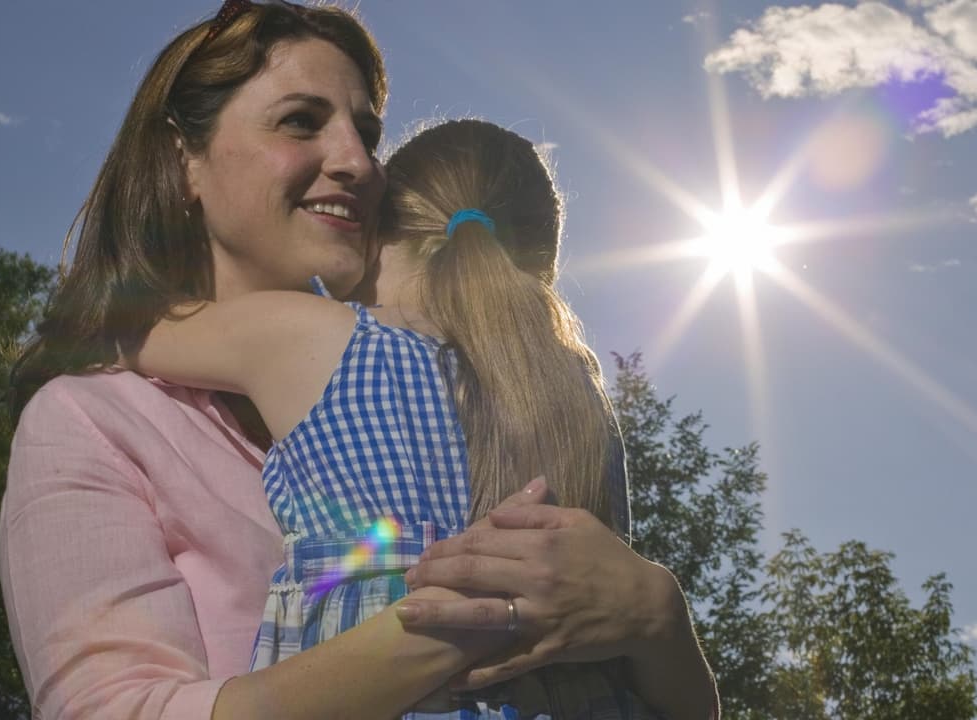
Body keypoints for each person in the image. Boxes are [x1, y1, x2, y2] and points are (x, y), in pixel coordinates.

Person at [0, 2, 718, 719]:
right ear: (181, 158)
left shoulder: (431, 384)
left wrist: (658, 618)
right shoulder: (95, 418)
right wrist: (477, 618)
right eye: (299, 121)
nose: (360, 163)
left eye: (368, 135)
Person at [125, 117, 654, 718]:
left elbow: (123, 330)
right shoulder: (582, 401)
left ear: (377, 229)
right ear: (538, 268)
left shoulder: (312, 337)